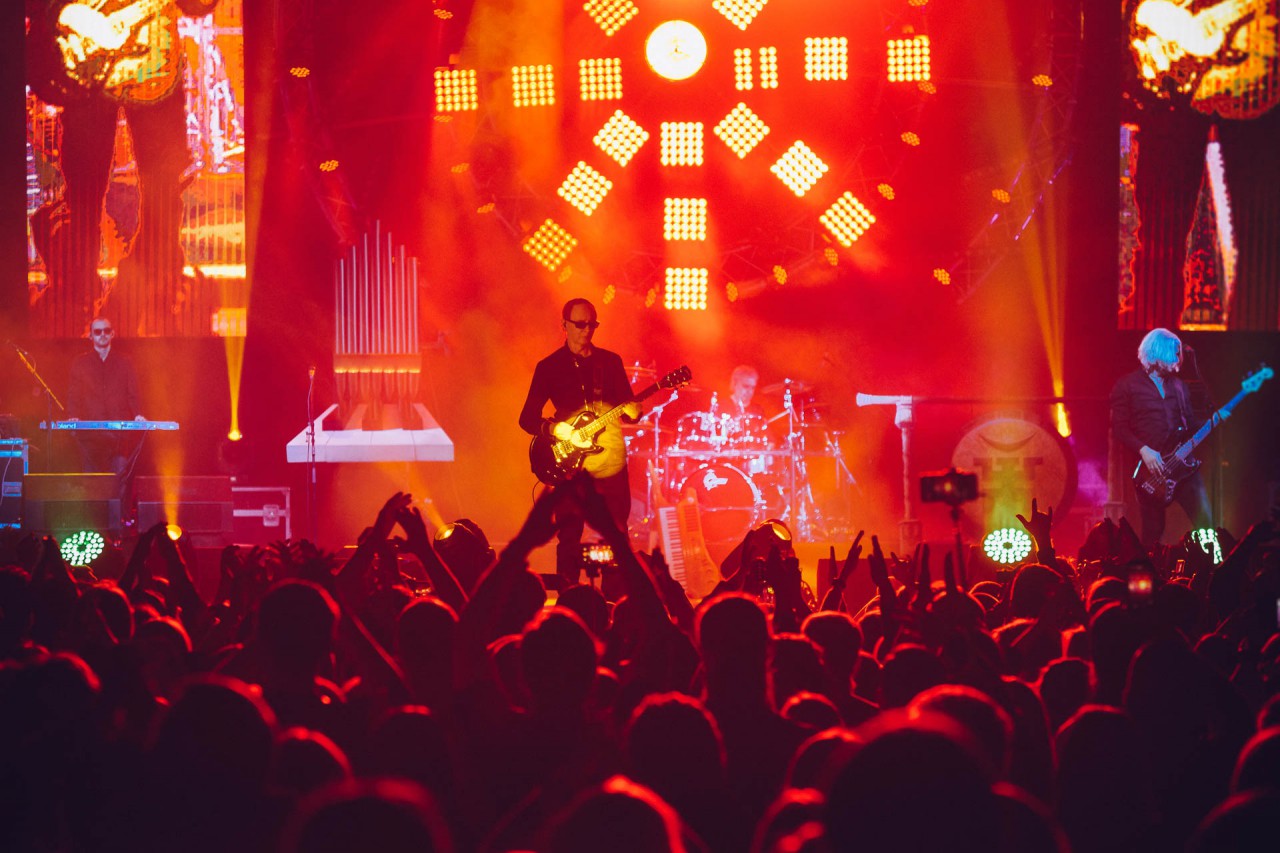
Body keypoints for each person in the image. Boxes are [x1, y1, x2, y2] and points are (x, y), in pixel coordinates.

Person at [26, 0, 221, 328]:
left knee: (160, 195)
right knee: (84, 197)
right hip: (89, 71)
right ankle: (78, 298)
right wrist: (68, 13)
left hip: (152, 71)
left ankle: (149, 294)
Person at [519, 298, 637, 583]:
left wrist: (633, 410)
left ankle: (616, 598)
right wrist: (559, 431)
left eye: (591, 324)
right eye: (580, 324)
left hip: (608, 458)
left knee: (617, 532)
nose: (587, 330)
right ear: (565, 325)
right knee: (569, 533)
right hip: (570, 461)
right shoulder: (549, 367)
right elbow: (527, 419)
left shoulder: (610, 362)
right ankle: (569, 599)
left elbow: (628, 410)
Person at [1110, 327, 1211, 549]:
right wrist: (1143, 449)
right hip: (1151, 473)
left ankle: (1214, 574)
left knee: (1206, 526)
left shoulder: (1180, 386)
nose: (1179, 358)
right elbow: (1120, 429)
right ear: (1158, 352)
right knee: (1153, 532)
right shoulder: (1127, 386)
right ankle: (1151, 579)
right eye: (1174, 352)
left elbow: (1191, 425)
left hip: (1184, 468)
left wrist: (1214, 421)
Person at [67, 318, 146, 476]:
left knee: (119, 480)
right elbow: (74, 394)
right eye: (97, 331)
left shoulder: (125, 362)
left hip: (118, 435)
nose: (102, 334)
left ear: (112, 334)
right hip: (90, 435)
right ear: (90, 336)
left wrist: (138, 414)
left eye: (106, 331)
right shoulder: (80, 363)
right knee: (92, 483)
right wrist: (73, 416)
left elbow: (133, 392)